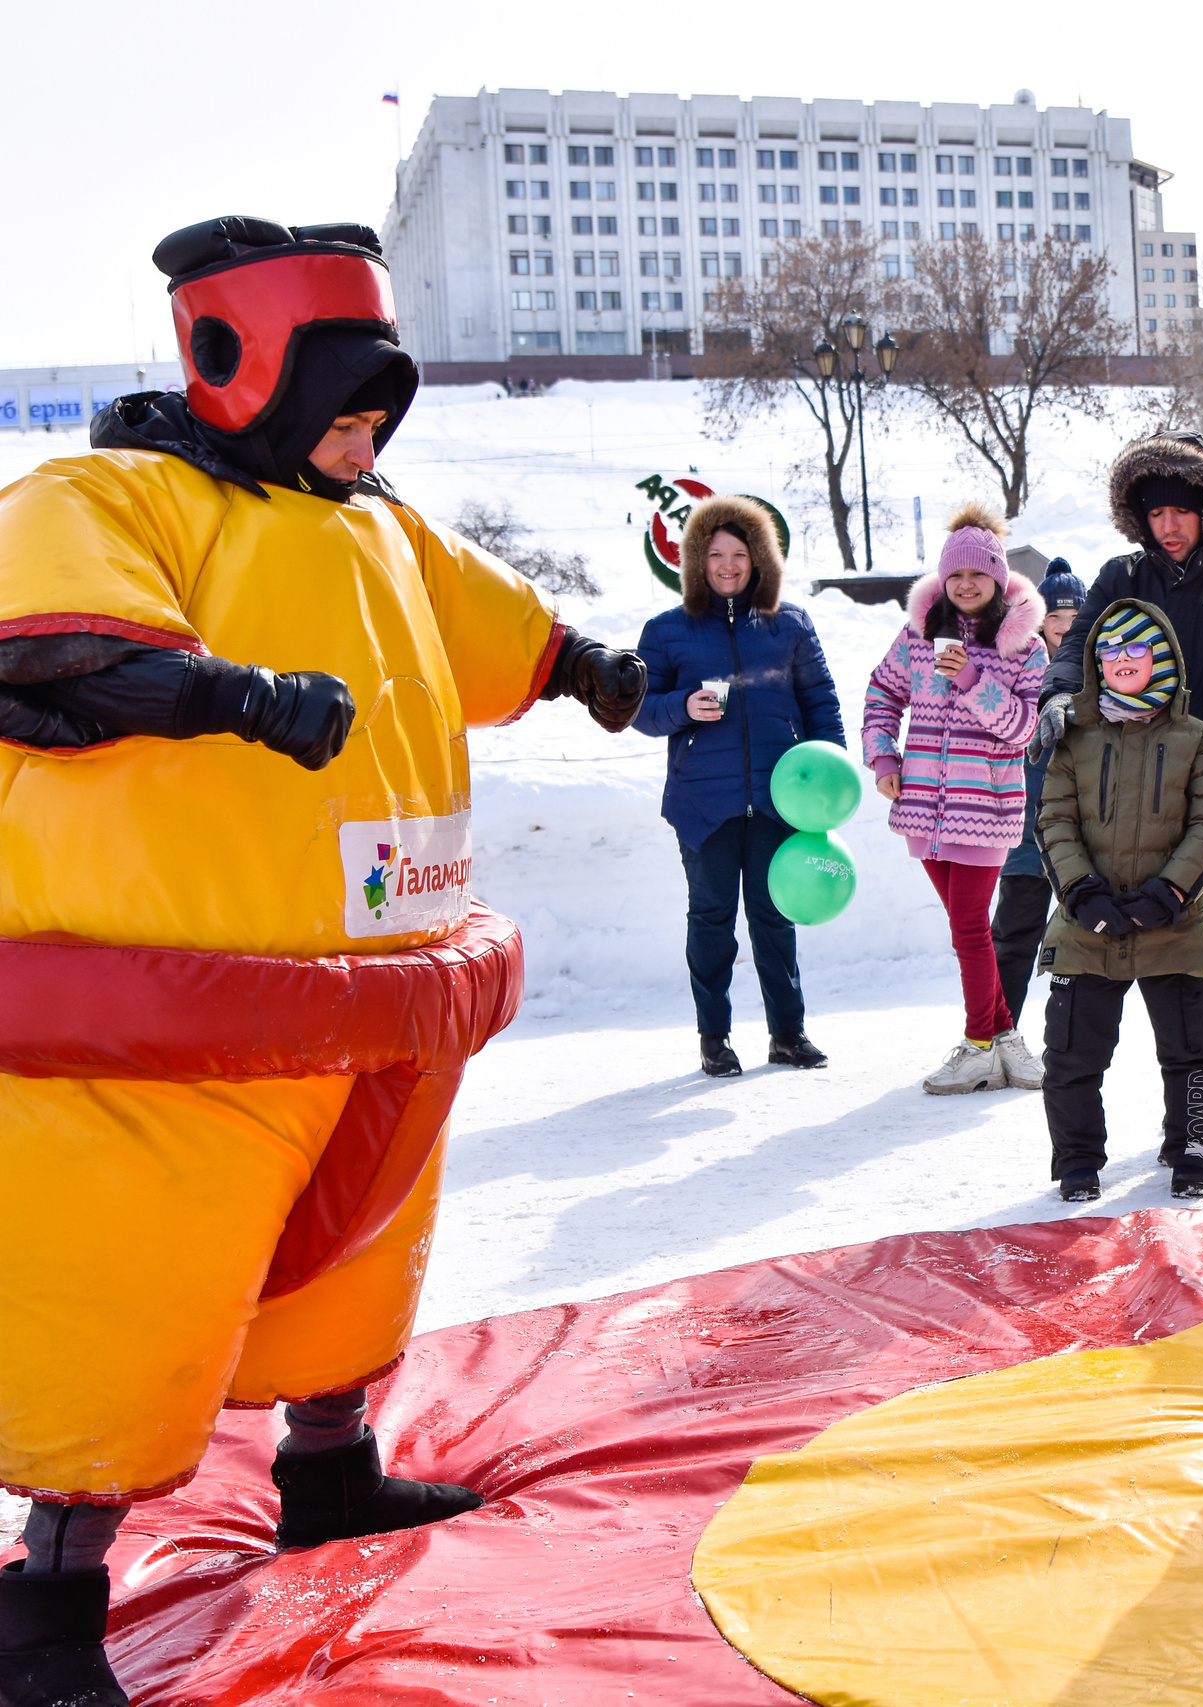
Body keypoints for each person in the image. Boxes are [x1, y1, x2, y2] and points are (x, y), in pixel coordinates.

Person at [0, 214, 645, 1707]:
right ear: (241, 371)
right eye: (341, 417)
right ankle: (45, 1602)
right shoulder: (118, 493)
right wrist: (226, 695)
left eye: (375, 420)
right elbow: (41, 650)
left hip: (378, 985)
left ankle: (329, 1473)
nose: (361, 443)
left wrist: (584, 668)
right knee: (134, 1293)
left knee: (351, 1260)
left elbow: (499, 632)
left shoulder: (379, 522)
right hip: (170, 1003)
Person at [1038, 435, 1203, 1117]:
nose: (1171, 526)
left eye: (1184, 510)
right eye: (1157, 513)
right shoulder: (1121, 578)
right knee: (1150, 948)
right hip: (1131, 794)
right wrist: (1058, 697)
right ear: (1138, 516)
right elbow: (1075, 650)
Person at [634, 498, 845, 1078]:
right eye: (716, 554)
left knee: (775, 917)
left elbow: (821, 706)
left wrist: (831, 783)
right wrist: (682, 706)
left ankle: (787, 1033)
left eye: (740, 554)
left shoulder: (791, 624)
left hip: (782, 800)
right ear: (697, 560)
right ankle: (715, 1038)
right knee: (711, 919)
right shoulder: (667, 631)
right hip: (704, 803)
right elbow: (640, 709)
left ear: (760, 561)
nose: (728, 565)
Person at [1036, 599, 1203, 1201]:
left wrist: (1167, 893)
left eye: (1136, 649)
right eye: (1111, 651)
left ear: (1162, 657)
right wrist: (1082, 892)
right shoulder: (1075, 738)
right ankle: (1076, 1163)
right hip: (1087, 924)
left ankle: (1193, 1151)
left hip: (1170, 924)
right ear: (1097, 662)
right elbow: (1054, 820)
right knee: (1071, 1056)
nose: (1124, 660)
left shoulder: (1193, 738)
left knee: (1194, 1053)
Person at [862, 504, 1047, 1094]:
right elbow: (880, 694)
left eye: (978, 574)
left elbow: (1022, 728)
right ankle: (1006, 1038)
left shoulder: (1025, 647)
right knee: (966, 926)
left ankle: (977, 1044)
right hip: (924, 807)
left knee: (969, 926)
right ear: (943, 579)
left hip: (986, 809)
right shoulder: (917, 637)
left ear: (997, 577)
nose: (966, 585)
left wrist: (971, 678)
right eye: (956, 575)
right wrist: (884, 756)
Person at [992, 560, 1086, 1040]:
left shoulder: (1102, 669)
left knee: (1082, 941)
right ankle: (996, 1033)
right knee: (1012, 935)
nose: (1064, 628)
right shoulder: (1017, 666)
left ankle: (1069, 1041)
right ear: (1038, 620)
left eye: (1074, 619)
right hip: (1026, 826)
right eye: (1055, 618)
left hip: (1083, 833)